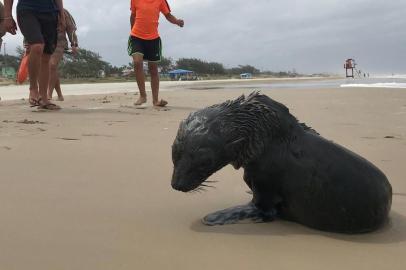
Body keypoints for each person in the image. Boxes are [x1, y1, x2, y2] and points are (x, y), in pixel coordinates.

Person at [4, 0, 65, 110]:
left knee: (46, 55)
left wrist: (62, 14)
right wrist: (7, 16)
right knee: (37, 45)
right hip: (27, 9)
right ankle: (33, 88)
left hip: (50, 11)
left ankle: (44, 98)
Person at [128, 0, 184, 107]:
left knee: (153, 69)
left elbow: (168, 15)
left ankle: (155, 101)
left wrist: (177, 21)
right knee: (137, 62)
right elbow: (133, 16)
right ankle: (143, 96)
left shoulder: (161, 1)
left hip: (153, 39)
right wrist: (132, 31)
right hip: (136, 37)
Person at [48, 8, 78, 101]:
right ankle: (60, 95)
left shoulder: (63, 12)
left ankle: (48, 94)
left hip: (59, 42)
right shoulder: (39, 8)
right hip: (44, 41)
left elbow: (71, 28)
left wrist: (74, 44)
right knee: (53, 67)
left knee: (52, 65)